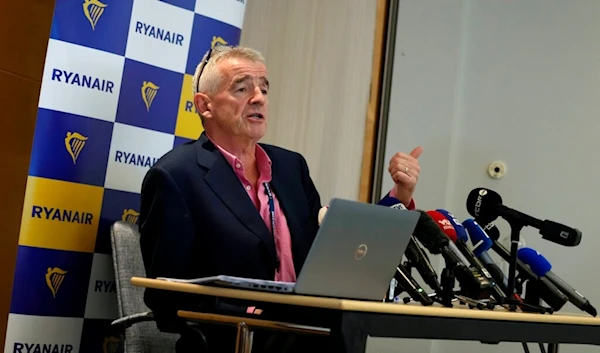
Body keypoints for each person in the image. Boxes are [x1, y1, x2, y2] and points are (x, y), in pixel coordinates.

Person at [138, 45, 423, 352]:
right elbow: (165, 297)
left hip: (311, 334)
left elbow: (329, 255)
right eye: (242, 88)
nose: (258, 97)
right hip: (236, 341)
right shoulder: (176, 176)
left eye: (263, 88)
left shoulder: (290, 167)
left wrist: (399, 196)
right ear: (205, 105)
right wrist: (249, 314)